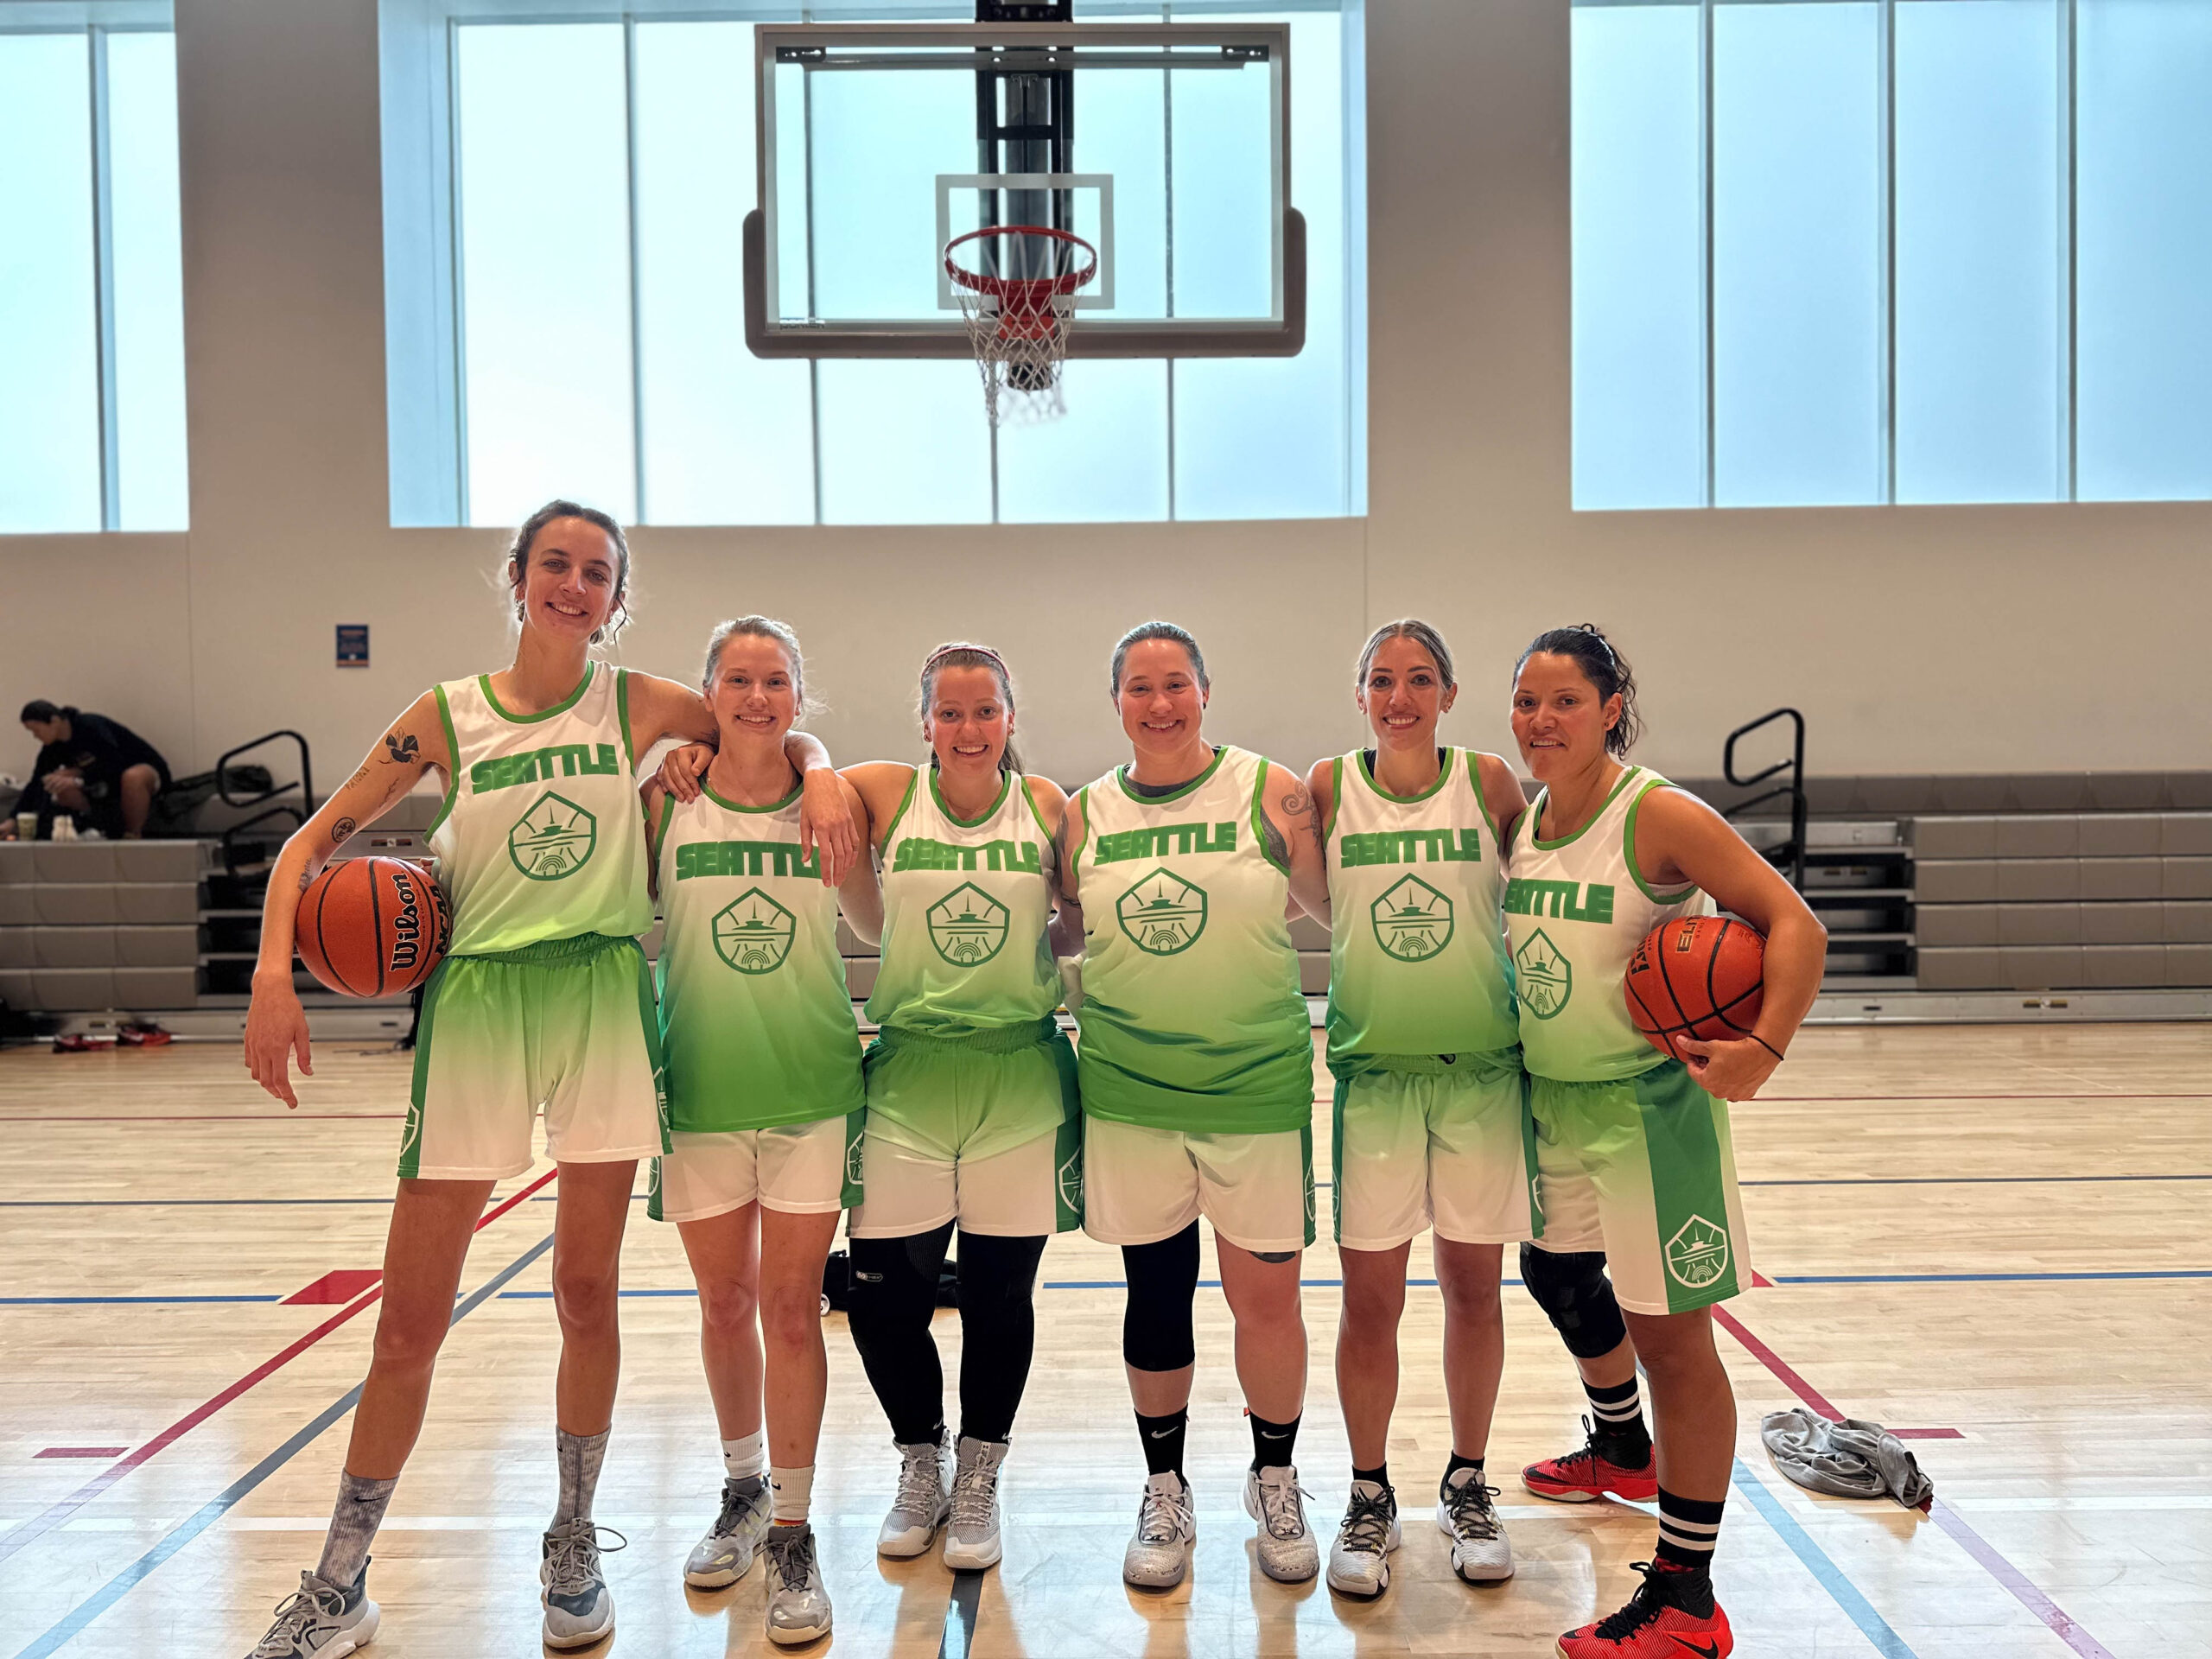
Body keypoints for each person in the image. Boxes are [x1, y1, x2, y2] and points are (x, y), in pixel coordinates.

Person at [238, 502, 860, 1659]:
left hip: (599, 995)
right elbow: (307, 842)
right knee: (408, 1320)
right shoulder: (447, 715)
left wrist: (820, 767)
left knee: (586, 1292)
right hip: (478, 1000)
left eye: (597, 574)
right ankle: (340, 1578)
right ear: (518, 579)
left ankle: (571, 1543)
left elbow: (760, 720)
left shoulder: (636, 704)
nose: (575, 587)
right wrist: (276, 973)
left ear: (616, 602)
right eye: (556, 567)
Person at [1503, 625, 1824, 1659]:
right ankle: (1620, 1447)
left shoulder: (1659, 814)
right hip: (1557, 1107)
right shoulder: (1533, 818)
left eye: (1563, 701)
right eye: (1526, 702)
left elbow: (1794, 925)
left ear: (1609, 710)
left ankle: (1686, 1599)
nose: (1541, 720)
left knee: (1675, 1344)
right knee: (1555, 1274)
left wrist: (1762, 1047)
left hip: (1649, 1117)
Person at [1057, 620, 1332, 1590]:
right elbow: (1053, 924)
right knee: (1155, 1294)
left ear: (1205, 693)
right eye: (1139, 687)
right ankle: (1165, 1489)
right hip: (1131, 1094)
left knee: (1267, 1302)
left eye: (1175, 684)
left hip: (1253, 1091)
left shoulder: (1268, 791)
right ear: (1118, 703)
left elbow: (1337, 907)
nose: (1159, 703)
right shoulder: (1083, 813)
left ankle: (1274, 1476)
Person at [642, 616, 874, 1647]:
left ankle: (791, 1523)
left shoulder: (831, 802)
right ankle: (740, 1486)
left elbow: (870, 922)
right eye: (736, 680)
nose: (755, 697)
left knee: (790, 1310)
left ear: (797, 696)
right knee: (723, 1300)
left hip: (810, 1086)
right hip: (698, 1088)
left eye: (775, 680)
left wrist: (822, 772)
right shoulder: (666, 799)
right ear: (708, 695)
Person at [1306, 620, 1536, 1599]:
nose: (1399, 697)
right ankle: (1368, 1493)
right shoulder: (1324, 787)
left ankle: (1468, 1480)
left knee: (1474, 1289)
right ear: (1357, 694)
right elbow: (1320, 905)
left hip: (1482, 1072)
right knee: (1371, 1301)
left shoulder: (1488, 783)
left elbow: (1537, 895)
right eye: (1381, 680)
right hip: (1376, 1076)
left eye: (1419, 679)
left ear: (1448, 692)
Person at [840, 644, 1080, 1573]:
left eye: (986, 712)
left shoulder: (1050, 806)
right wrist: (820, 778)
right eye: (950, 712)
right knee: (881, 1303)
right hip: (907, 1070)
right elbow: (795, 755)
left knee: (996, 1298)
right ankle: (919, 1457)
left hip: (1015, 1072)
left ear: (1010, 719)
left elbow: (1074, 922)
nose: (969, 728)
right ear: (926, 723)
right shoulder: (884, 794)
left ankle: (979, 1471)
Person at [9, 700, 171, 838]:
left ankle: (132, 836)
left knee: (133, 777)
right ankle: (96, 828)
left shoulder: (91, 726)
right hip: (102, 786)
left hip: (142, 773)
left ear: (54, 721)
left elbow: (116, 764)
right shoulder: (52, 749)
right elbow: (35, 783)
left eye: (36, 730)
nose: (35, 736)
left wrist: (78, 777)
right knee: (59, 784)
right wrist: (12, 819)